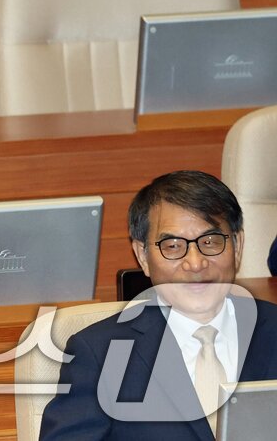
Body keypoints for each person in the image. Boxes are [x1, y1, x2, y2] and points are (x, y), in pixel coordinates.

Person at [40, 170, 277, 439]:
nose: (195, 263)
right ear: (142, 256)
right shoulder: (99, 353)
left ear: (237, 245)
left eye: (210, 242)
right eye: (173, 246)